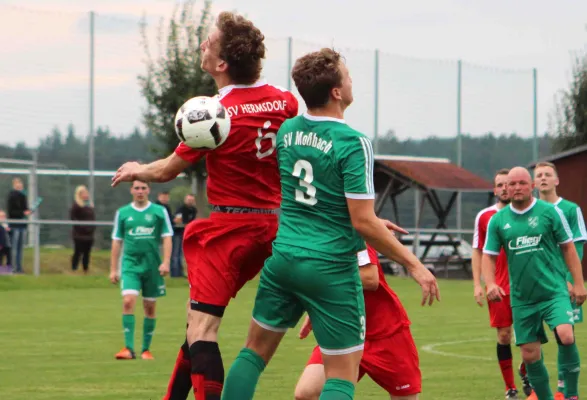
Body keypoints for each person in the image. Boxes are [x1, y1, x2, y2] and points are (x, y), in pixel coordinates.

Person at [220, 48, 438, 400]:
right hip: (329, 267)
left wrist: (361, 220)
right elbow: (362, 220)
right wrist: (413, 264)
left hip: (284, 259)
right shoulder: (353, 142)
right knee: (340, 376)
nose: (352, 82)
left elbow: (316, 197)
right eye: (348, 77)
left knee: (252, 354)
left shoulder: (288, 131)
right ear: (336, 91)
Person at [111, 11, 298, 400]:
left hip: (230, 231)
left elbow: (166, 171)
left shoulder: (216, 112)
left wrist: (136, 169)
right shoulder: (284, 101)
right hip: (276, 229)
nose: (201, 45)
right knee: (195, 325)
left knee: (204, 332)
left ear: (222, 63)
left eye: (208, 42)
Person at [482, 166, 586, 400]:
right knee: (529, 355)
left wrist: (578, 283)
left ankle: (570, 394)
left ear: (532, 186)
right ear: (506, 188)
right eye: (512, 184)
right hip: (522, 298)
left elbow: (569, 248)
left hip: (554, 292)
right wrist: (489, 284)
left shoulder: (550, 212)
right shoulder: (497, 221)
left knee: (566, 335)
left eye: (522, 183)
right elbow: (488, 256)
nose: (517, 187)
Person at [294, 244, 421, 400]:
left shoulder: (356, 235)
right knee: (306, 393)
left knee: (404, 396)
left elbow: (370, 279)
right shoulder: (317, 239)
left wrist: (325, 276)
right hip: (343, 332)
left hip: (385, 333)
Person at [519, 162, 587, 400]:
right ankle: (541, 390)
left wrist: (571, 280)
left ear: (557, 181)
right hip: (533, 287)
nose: (544, 178)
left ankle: (568, 392)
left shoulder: (569, 209)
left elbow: (576, 247)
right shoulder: (526, 212)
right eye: (539, 175)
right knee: (531, 341)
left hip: (562, 284)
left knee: (566, 336)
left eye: (549, 174)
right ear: (534, 183)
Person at [109, 180, 173, 360]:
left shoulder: (159, 212)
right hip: (130, 265)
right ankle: (128, 348)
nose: (140, 191)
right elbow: (116, 241)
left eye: (143, 188)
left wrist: (166, 262)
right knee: (128, 301)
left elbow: (167, 237)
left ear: (148, 190)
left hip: (152, 265)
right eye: (136, 188)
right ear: (131, 190)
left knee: (149, 307)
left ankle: (146, 349)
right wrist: (114, 269)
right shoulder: (123, 213)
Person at [472, 168, 521, 399]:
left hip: (525, 285)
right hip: (498, 286)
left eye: (507, 184)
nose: (504, 188)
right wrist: (477, 284)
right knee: (503, 335)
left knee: (528, 335)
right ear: (495, 189)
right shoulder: (485, 217)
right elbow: (478, 251)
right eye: (499, 185)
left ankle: (526, 371)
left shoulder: (526, 214)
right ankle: (510, 387)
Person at [70, 185, 96, 273]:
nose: (86, 195)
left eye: (86, 192)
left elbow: (92, 218)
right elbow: (73, 218)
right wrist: (82, 228)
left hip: (89, 234)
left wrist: (92, 228)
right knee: (78, 252)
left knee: (87, 253)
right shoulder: (76, 206)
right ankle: (74, 268)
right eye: (83, 193)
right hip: (79, 234)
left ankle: (86, 269)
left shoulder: (89, 205)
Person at [6, 178, 30, 273]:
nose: (19, 185)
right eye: (17, 184)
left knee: (20, 248)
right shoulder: (11, 196)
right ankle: (13, 268)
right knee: (14, 248)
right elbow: (11, 212)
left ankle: (19, 268)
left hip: (22, 225)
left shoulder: (23, 196)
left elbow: (25, 208)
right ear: (14, 185)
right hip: (14, 225)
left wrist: (28, 211)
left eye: (20, 183)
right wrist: (23, 213)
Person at [171, 194, 197, 278]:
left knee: (181, 254)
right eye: (188, 200)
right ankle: (175, 273)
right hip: (178, 232)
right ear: (185, 200)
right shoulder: (181, 209)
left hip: (186, 232)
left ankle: (180, 272)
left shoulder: (193, 210)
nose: (190, 202)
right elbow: (177, 220)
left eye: (191, 200)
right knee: (176, 253)